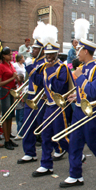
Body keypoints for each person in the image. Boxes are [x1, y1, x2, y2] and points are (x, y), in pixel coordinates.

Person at [59, 38, 96, 187]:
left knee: (94, 142)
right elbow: (84, 90)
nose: (77, 53)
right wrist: (76, 95)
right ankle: (75, 175)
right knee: (74, 142)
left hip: (90, 112)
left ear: (86, 51)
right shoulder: (82, 66)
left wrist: (80, 76)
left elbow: (94, 92)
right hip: (78, 110)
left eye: (79, 50)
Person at [31, 33, 71, 177]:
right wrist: (36, 69)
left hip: (59, 106)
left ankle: (76, 155)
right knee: (46, 135)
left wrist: (48, 73)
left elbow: (59, 88)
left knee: (61, 138)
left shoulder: (62, 68)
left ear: (57, 54)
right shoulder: (45, 66)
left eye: (51, 54)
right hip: (49, 105)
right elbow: (38, 82)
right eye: (47, 54)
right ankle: (46, 165)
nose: (48, 57)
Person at [17, 26, 47, 164]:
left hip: (41, 99)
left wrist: (29, 68)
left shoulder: (45, 64)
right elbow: (30, 81)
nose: (32, 50)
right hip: (31, 97)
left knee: (46, 128)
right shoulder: (33, 62)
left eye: (35, 48)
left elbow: (41, 81)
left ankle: (61, 148)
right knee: (27, 125)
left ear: (41, 50)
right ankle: (30, 152)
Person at [0, 47, 19, 150]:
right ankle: (6, 140)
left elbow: (14, 77)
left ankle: (8, 138)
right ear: (4, 55)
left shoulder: (11, 65)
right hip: (5, 91)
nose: (11, 56)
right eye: (9, 54)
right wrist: (12, 78)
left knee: (10, 116)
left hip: (11, 91)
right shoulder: (0, 66)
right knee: (6, 116)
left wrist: (17, 78)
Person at [13, 54, 26, 135]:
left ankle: (20, 133)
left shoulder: (23, 85)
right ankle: (19, 132)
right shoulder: (16, 85)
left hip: (22, 102)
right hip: (17, 102)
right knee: (18, 118)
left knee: (21, 118)